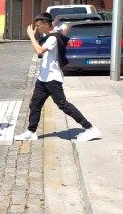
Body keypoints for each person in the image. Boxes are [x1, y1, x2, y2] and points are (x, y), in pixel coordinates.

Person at [14, 13, 101, 142]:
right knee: (35, 104)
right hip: (43, 78)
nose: (37, 28)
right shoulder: (50, 35)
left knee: (63, 105)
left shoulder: (53, 38)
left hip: (52, 78)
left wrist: (31, 36)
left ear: (45, 24)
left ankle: (90, 128)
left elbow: (39, 51)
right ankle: (31, 132)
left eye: (39, 25)